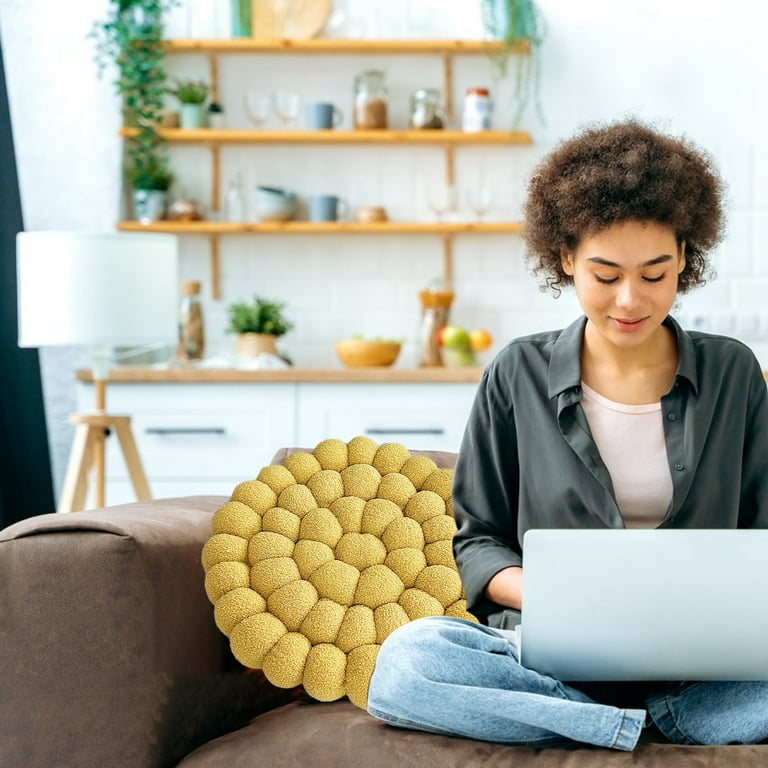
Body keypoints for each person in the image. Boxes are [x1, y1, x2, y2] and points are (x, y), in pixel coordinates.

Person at [366, 118, 768, 750]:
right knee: (408, 661)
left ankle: (589, 723)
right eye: (605, 275)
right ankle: (626, 725)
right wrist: (556, 596)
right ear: (565, 258)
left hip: (701, 671)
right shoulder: (517, 372)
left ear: (686, 258)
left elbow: (761, 533)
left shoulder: (733, 372)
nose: (630, 299)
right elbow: (479, 541)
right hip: (552, 659)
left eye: (655, 273)